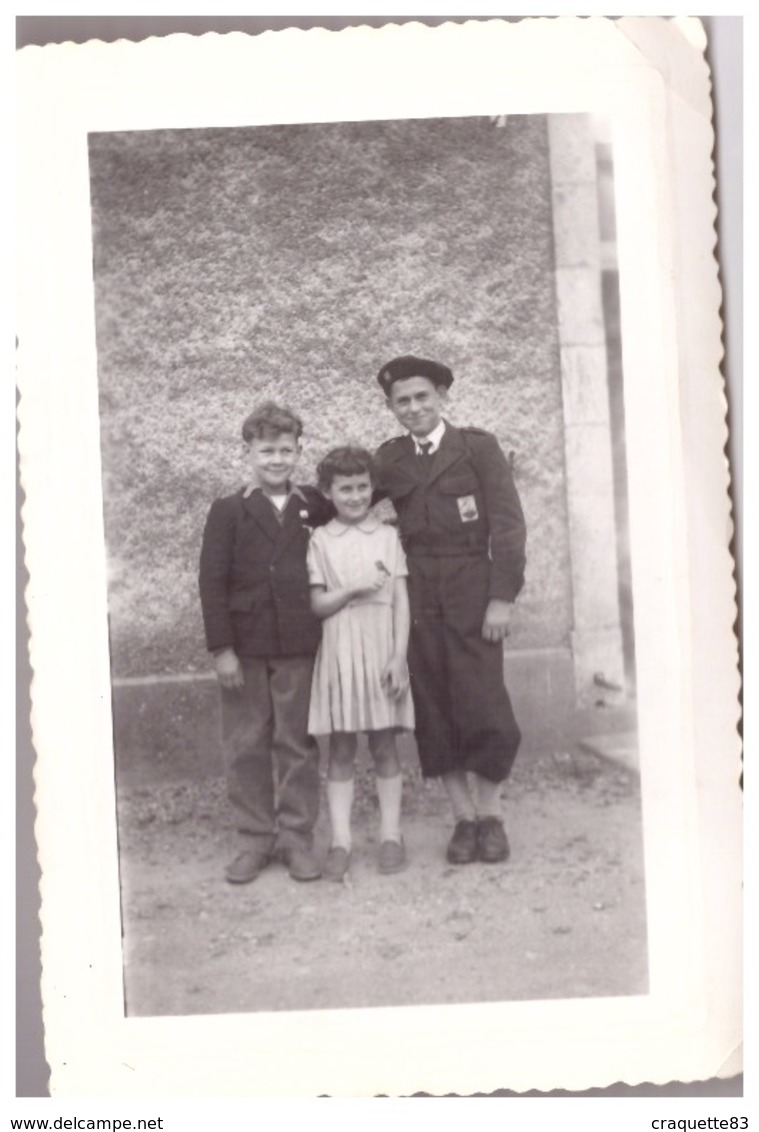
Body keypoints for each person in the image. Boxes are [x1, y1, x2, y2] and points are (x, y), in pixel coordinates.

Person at [373, 355, 527, 866]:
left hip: (472, 589)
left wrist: (501, 598)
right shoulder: (390, 459)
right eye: (402, 401)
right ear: (391, 408)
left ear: (441, 397)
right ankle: (462, 818)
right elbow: (343, 498)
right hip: (417, 595)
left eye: (422, 397)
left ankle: (492, 815)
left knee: (484, 704)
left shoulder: (477, 449)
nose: (413, 408)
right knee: (434, 706)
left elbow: (507, 526)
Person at [198, 401, 333, 885]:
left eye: (285, 451)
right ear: (248, 452)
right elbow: (212, 583)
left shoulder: (312, 505)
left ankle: (296, 838)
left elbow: (354, 507)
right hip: (246, 647)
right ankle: (254, 839)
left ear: (298, 452)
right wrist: (222, 650)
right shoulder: (229, 510)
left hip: (298, 642)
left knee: (296, 742)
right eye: (266, 451)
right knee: (246, 742)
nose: (276, 460)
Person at [307, 446, 414, 882]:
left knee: (386, 744)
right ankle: (341, 840)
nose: (355, 496)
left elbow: (401, 602)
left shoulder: (388, 536)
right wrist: (353, 587)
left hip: (382, 646)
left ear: (373, 487)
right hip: (340, 648)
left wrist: (400, 656)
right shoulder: (320, 539)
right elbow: (318, 605)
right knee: (343, 748)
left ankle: (391, 834)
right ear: (328, 492)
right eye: (345, 488)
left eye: (362, 487)